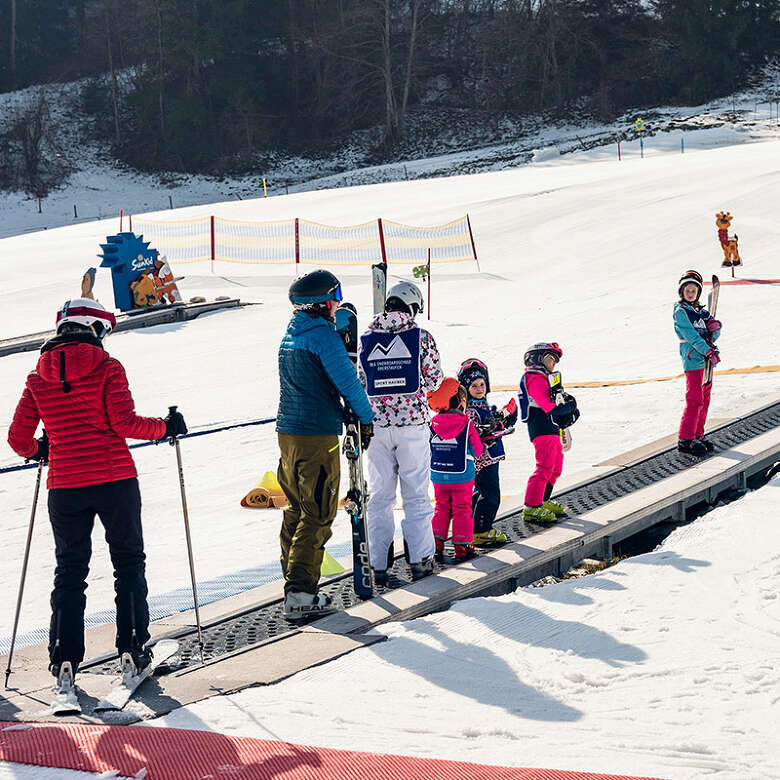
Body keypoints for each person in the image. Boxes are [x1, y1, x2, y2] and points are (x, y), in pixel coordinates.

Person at [7, 298, 187, 687]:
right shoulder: (107, 367)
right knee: (128, 563)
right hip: (114, 480)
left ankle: (64, 659)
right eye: (103, 329)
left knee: (70, 571)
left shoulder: (37, 377)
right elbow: (124, 423)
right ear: (91, 327)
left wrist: (44, 450)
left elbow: (18, 439)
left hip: (65, 486)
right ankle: (132, 648)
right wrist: (166, 427)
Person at [277, 270, 374, 619]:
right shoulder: (322, 337)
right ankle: (301, 595)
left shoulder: (292, 335)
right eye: (334, 296)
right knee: (318, 513)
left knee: (297, 509)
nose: (336, 303)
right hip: (316, 436)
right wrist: (366, 419)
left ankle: (294, 584)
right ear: (320, 303)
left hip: (287, 435)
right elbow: (349, 383)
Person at [357, 281, 443, 583]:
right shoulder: (421, 337)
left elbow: (361, 381)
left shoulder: (366, 337)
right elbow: (433, 381)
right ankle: (420, 559)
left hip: (377, 429)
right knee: (416, 494)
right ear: (412, 307)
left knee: (380, 496)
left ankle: (377, 564)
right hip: (412, 428)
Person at [458, 358, 517, 547]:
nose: (479, 388)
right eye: (474, 386)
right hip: (483, 458)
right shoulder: (469, 409)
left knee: (480, 492)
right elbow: (472, 429)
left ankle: (474, 526)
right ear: (466, 388)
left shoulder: (482, 404)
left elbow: (491, 421)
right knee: (491, 494)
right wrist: (486, 428)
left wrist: (504, 417)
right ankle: (482, 531)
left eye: (482, 384)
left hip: (488, 457)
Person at [518, 343, 579, 523]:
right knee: (545, 465)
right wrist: (564, 408)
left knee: (555, 466)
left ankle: (542, 500)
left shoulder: (547, 377)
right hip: (541, 425)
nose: (554, 363)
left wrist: (566, 412)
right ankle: (532, 506)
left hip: (551, 426)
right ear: (537, 359)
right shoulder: (534, 377)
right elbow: (546, 405)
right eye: (551, 359)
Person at [428, 377, 484, 561]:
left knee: (441, 508)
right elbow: (477, 450)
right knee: (462, 509)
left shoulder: (433, 423)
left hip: (438, 475)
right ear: (460, 402)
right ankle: (462, 545)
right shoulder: (466, 424)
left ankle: (436, 542)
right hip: (462, 476)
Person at [673, 269, 722, 455]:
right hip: (693, 358)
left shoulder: (701, 312)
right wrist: (707, 351)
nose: (691, 293)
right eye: (687, 290)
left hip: (706, 358)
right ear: (682, 292)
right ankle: (686, 439)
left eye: (694, 290)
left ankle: (698, 434)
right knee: (695, 399)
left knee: (705, 398)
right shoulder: (681, 312)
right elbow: (692, 336)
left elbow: (712, 334)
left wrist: (715, 329)